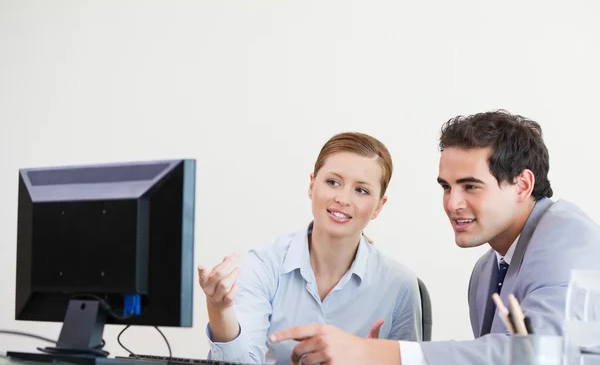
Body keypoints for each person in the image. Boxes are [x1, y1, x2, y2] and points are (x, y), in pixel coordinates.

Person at [270, 110, 600, 365]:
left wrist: (378, 353)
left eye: (470, 186)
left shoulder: (568, 236)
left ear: (522, 185)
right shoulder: (486, 271)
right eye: (446, 186)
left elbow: (541, 353)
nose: (452, 203)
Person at [197, 132, 423, 364]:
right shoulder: (264, 265)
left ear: (378, 207)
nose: (343, 199)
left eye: (361, 190)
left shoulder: (400, 286)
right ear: (311, 185)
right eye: (333, 182)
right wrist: (220, 312)